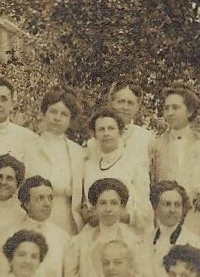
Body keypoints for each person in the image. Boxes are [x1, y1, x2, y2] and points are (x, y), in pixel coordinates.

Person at [150, 85, 200, 237]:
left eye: (175, 107)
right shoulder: (156, 145)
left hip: (197, 217)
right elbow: (153, 181)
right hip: (167, 215)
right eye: (166, 108)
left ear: (189, 111)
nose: (170, 112)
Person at [78, 107, 152, 235]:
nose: (106, 133)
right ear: (95, 135)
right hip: (95, 234)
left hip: (126, 233)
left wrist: (114, 214)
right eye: (101, 129)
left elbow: (145, 213)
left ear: (120, 132)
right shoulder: (89, 166)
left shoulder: (134, 164)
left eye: (111, 128)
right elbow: (86, 204)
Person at [64, 178, 144, 277]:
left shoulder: (133, 241)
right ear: (95, 207)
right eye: (103, 203)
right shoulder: (80, 242)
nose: (108, 209)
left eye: (114, 203)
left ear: (122, 207)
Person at [25, 86, 85, 235]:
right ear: (44, 113)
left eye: (64, 114)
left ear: (70, 119)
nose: (57, 118)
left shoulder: (77, 152)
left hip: (65, 219)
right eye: (53, 112)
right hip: (34, 220)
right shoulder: (28, 148)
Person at [0, 176, 71, 277]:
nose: (47, 204)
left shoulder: (62, 236)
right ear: (27, 204)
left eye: (50, 198)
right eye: (40, 198)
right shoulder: (10, 235)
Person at [141, 181, 200, 277]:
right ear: (155, 208)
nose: (172, 210)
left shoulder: (196, 244)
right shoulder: (143, 242)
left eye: (177, 205)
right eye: (167, 204)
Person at [84, 80, 154, 176]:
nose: (125, 107)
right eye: (121, 102)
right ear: (111, 102)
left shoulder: (147, 139)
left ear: (138, 106)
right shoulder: (96, 141)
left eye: (130, 103)